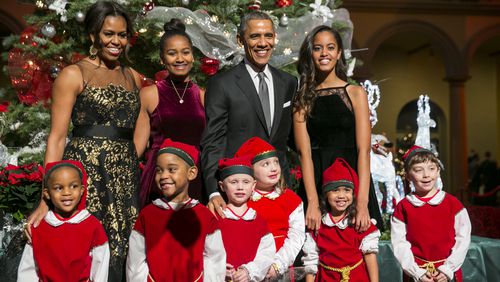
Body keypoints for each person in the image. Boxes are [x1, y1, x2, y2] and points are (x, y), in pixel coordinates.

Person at [26, 2, 142, 280]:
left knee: (124, 245)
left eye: (122, 35)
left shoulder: (133, 77)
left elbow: (139, 127)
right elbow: (57, 137)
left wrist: (130, 161)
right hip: (86, 172)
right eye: (109, 34)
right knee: (84, 245)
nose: (116, 41)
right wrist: (46, 197)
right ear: (93, 35)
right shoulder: (72, 74)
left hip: (124, 177)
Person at [201, 11, 298, 218]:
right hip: (238, 193)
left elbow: (284, 140)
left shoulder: (288, 82)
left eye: (268, 36)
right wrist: (212, 191)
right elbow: (212, 141)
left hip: (278, 190)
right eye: (255, 36)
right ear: (240, 40)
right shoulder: (222, 84)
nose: (263, 43)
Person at [293, 25, 382, 232]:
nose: (324, 53)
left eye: (330, 47)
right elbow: (304, 154)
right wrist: (313, 203)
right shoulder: (303, 97)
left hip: (353, 182)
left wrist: (361, 203)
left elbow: (364, 151)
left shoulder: (355, 93)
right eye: (317, 48)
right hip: (316, 182)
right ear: (311, 53)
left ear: (339, 53)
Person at [126, 139, 226, 281]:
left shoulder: (204, 216)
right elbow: (135, 262)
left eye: (172, 169)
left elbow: (215, 260)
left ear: (191, 173)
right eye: (159, 170)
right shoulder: (147, 215)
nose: (164, 176)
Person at [134, 18, 205, 208]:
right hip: (159, 177)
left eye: (185, 52)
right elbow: (139, 146)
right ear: (162, 59)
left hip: (194, 176)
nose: (180, 59)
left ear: (193, 56)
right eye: (172, 53)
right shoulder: (149, 94)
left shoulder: (204, 96)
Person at [18, 160, 109, 282]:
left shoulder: (92, 226)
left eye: (73, 186)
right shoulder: (39, 227)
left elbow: (100, 265)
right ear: (47, 193)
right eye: (58, 188)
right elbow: (28, 269)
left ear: (82, 190)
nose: (67, 193)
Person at [391, 145, 471, 282]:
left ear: (438, 171)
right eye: (418, 170)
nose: (426, 175)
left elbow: (463, 239)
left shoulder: (453, 204)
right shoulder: (403, 207)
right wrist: (417, 272)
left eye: (431, 169)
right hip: (418, 274)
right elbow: (399, 243)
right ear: (408, 176)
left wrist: (448, 269)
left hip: (446, 274)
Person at [234, 137, 305, 280]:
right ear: (250, 169)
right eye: (265, 164)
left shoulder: (291, 200)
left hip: (280, 267)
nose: (273, 168)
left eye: (276, 162)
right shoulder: (241, 200)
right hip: (248, 266)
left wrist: (277, 265)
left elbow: (296, 236)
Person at [302, 158, 380, 282]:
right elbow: (311, 262)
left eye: (347, 190)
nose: (341, 195)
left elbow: (370, 256)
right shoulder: (319, 225)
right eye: (335, 190)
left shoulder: (359, 223)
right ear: (326, 194)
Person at [217, 156, 276, 282]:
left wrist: (249, 271)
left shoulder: (259, 221)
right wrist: (218, 268)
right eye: (233, 182)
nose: (240, 187)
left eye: (246, 182)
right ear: (222, 186)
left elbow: (267, 253)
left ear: (253, 185)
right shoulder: (216, 218)